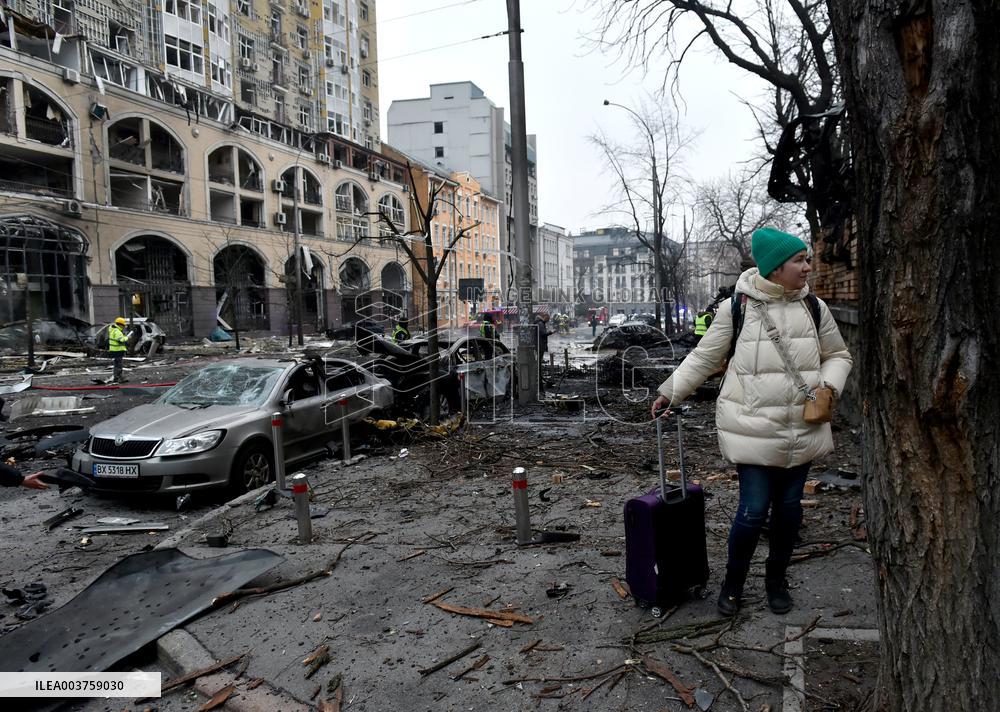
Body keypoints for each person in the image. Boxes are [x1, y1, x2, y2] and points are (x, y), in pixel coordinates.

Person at [651, 226, 853, 617]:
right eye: (800, 260)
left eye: (807, 259)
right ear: (777, 268)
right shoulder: (737, 308)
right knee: (753, 510)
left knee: (790, 509)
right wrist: (670, 392)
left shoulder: (815, 308)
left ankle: (776, 579)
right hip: (753, 427)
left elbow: (839, 355)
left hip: (803, 425)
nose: (808, 267)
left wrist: (828, 387)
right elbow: (704, 357)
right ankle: (733, 583)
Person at [534, 312, 553, 393]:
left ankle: (540, 384)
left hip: (539, 345)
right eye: (547, 319)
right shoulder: (541, 324)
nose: (548, 321)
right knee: (538, 365)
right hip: (540, 346)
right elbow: (543, 334)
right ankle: (540, 386)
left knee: (538, 364)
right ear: (544, 317)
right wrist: (550, 332)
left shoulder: (539, 323)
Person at [108, 317, 130, 383]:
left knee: (116, 365)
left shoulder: (113, 330)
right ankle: (118, 378)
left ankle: (117, 377)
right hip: (118, 350)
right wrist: (127, 337)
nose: (124, 327)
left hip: (114, 350)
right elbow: (121, 340)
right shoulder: (117, 331)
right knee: (119, 365)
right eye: (123, 325)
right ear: (120, 325)